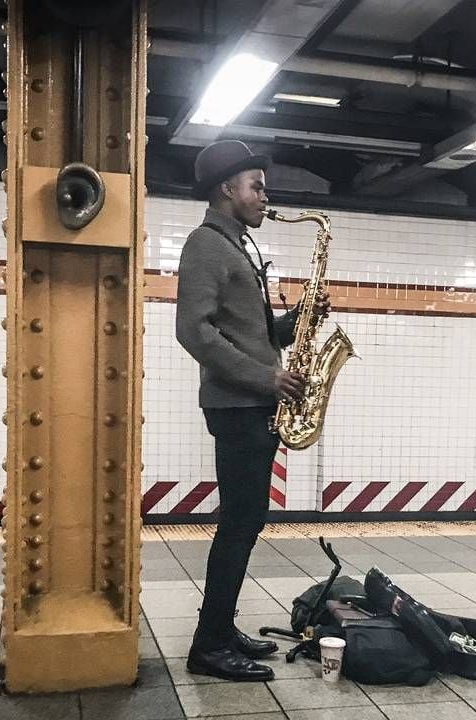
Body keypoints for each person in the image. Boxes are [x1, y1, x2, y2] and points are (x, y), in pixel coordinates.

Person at [176, 140, 330, 681]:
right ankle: (208, 644)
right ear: (227, 188)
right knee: (239, 524)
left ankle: (220, 629)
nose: (265, 197)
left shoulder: (237, 245)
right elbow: (192, 330)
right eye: (257, 186)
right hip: (238, 404)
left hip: (252, 402)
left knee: (246, 521)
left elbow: (256, 332)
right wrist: (266, 376)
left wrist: (298, 321)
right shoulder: (205, 245)